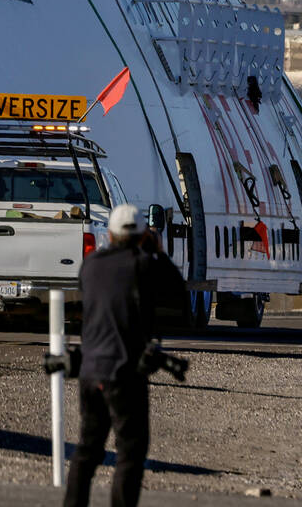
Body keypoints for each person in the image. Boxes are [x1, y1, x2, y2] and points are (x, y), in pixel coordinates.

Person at [64, 203, 186, 507]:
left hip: (90, 369)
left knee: (87, 450)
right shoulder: (146, 264)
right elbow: (179, 296)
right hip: (125, 372)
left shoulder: (90, 266)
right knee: (130, 452)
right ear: (144, 235)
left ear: (110, 234)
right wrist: (157, 252)